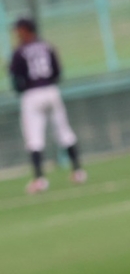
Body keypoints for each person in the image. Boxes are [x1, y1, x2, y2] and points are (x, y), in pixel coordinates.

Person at [8, 18, 85, 194]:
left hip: (32, 94)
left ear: (25, 30)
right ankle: (78, 171)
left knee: (34, 138)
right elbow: (57, 72)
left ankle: (39, 179)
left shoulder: (20, 51)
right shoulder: (47, 46)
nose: (16, 33)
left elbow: (16, 78)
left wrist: (22, 89)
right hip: (51, 90)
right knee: (64, 132)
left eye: (18, 30)